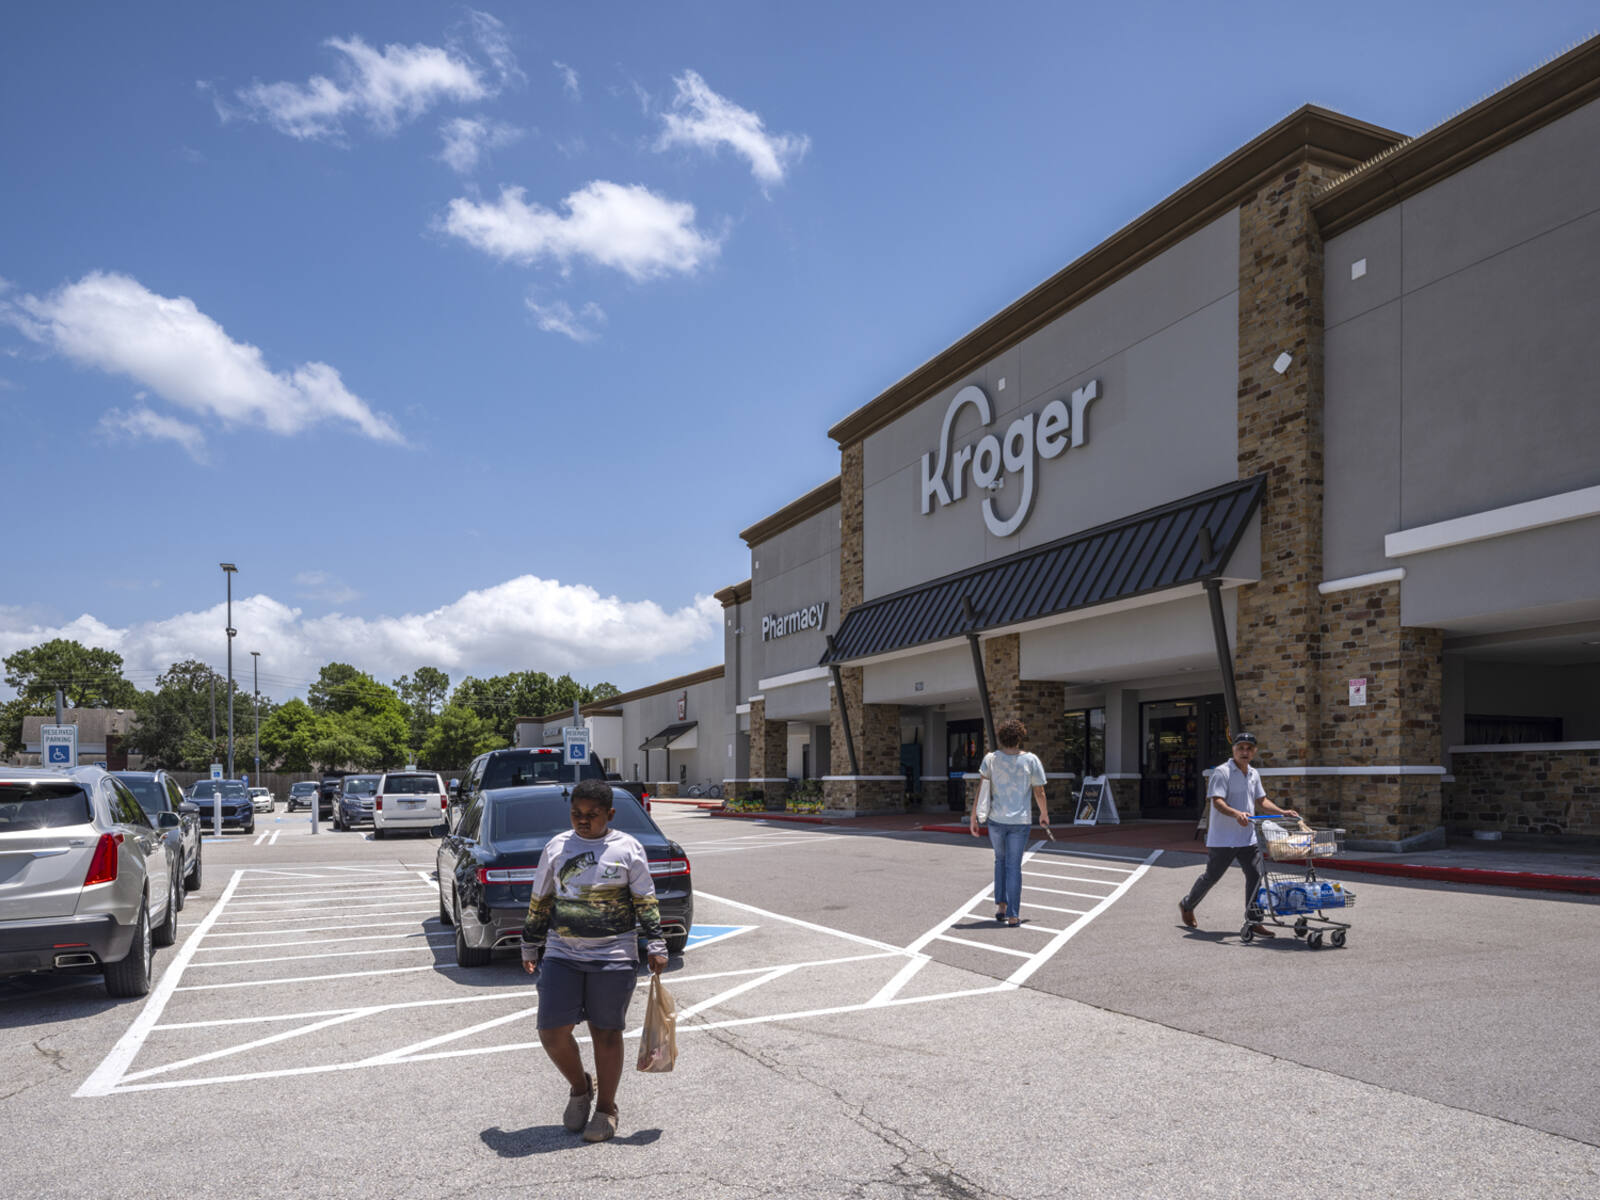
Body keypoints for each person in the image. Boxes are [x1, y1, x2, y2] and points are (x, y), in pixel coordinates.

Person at [522, 778, 668, 1143]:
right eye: (576, 813)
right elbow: (541, 898)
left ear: (610, 814)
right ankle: (580, 1087)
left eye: (593, 814)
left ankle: (606, 1109)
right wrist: (530, 943)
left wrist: (656, 943)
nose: (583, 821)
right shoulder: (557, 847)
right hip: (562, 953)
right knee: (551, 1032)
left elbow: (645, 900)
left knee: (606, 1032)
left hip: (614, 955)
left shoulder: (627, 848)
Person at [1179, 732, 1299, 937]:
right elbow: (1217, 801)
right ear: (1233, 749)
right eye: (1240, 748)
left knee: (1255, 875)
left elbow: (1261, 800)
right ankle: (1187, 904)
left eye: (1249, 748)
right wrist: (1236, 814)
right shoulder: (1222, 772)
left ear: (1254, 751)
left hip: (1247, 838)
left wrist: (1282, 812)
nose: (1245, 752)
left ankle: (1253, 920)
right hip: (1224, 838)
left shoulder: (1253, 773)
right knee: (1212, 877)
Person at [968, 718, 1050, 926]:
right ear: (1020, 737)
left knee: (1000, 861)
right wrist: (1044, 814)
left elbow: (982, 790)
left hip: (996, 820)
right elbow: (1039, 791)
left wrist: (974, 816)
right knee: (1014, 866)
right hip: (1020, 821)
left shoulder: (991, 759)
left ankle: (1001, 907)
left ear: (1001, 738)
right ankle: (1013, 915)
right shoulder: (1031, 760)